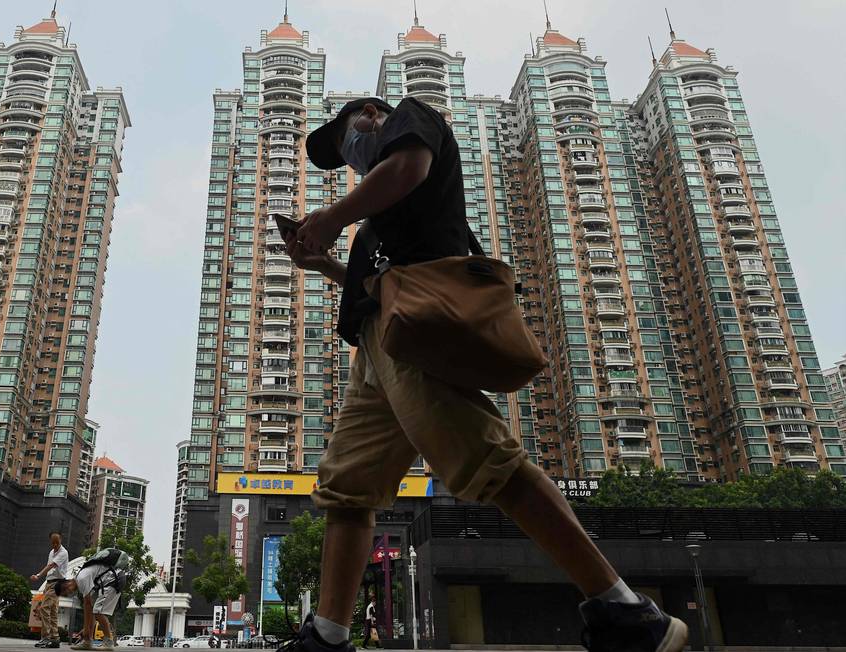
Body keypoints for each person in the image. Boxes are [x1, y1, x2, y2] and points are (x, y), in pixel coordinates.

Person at [276, 96, 689, 652]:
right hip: (373, 352)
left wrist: (328, 218)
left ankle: (628, 613)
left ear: (371, 115)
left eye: (346, 137)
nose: (349, 155)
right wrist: (324, 261)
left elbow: (408, 166)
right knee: (347, 489)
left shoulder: (410, 121)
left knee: (486, 460)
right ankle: (326, 636)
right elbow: (375, 283)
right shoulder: (373, 221)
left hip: (418, 337)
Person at [56, 557, 122, 650]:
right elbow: (89, 609)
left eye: (66, 592)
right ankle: (87, 642)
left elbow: (87, 605)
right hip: (108, 581)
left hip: (113, 580)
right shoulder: (81, 579)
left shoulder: (82, 579)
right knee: (96, 610)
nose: (69, 594)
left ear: (67, 584)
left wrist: (86, 629)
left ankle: (108, 642)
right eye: (66, 595)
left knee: (98, 612)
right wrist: (86, 628)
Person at [31, 531, 70, 649]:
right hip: (50, 583)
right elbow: (50, 569)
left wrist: (38, 575)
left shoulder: (63, 552)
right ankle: (55, 638)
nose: (55, 545)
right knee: (53, 611)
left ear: (61, 540)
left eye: (57, 542)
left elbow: (51, 566)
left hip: (57, 583)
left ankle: (46, 637)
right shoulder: (51, 552)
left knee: (44, 608)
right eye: (53, 542)